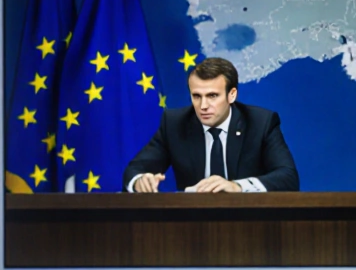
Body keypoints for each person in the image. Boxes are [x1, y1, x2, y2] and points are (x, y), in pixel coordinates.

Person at [122, 57, 299, 193]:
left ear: (232, 95)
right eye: (197, 96)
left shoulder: (260, 122)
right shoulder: (175, 123)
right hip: (192, 225)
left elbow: (288, 177)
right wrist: (140, 180)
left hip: (250, 222)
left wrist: (236, 187)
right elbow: (135, 169)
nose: (203, 106)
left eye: (213, 96)